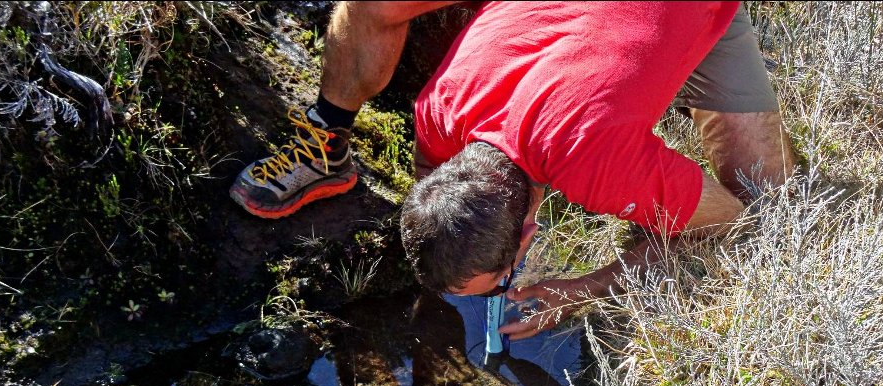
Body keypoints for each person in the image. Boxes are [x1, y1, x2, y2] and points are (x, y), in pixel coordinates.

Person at [231, 2, 795, 339]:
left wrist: (582, 288)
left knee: (768, 208)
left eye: (500, 282)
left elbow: (728, 220)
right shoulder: (437, 113)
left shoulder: (598, 166)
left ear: (528, 233)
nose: (501, 292)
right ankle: (324, 136)